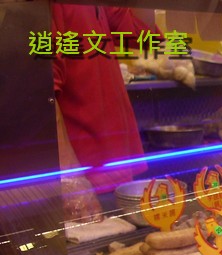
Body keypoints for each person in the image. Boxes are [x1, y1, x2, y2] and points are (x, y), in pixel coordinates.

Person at [52, 6, 158, 219]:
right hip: (86, 178)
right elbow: (42, 91)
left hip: (117, 163)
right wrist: (70, 179)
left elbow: (145, 37)